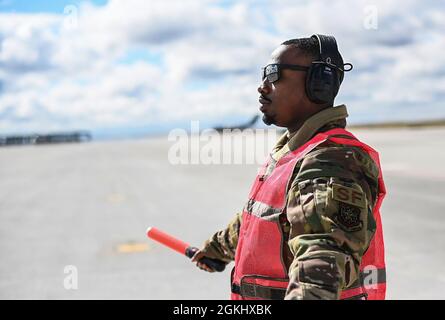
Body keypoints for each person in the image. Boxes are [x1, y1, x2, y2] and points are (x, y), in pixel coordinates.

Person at [192, 34, 386, 300]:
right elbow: (269, 216)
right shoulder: (295, 151)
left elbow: (321, 262)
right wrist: (218, 247)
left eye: (273, 75)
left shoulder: (330, 161)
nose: (262, 87)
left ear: (319, 83)